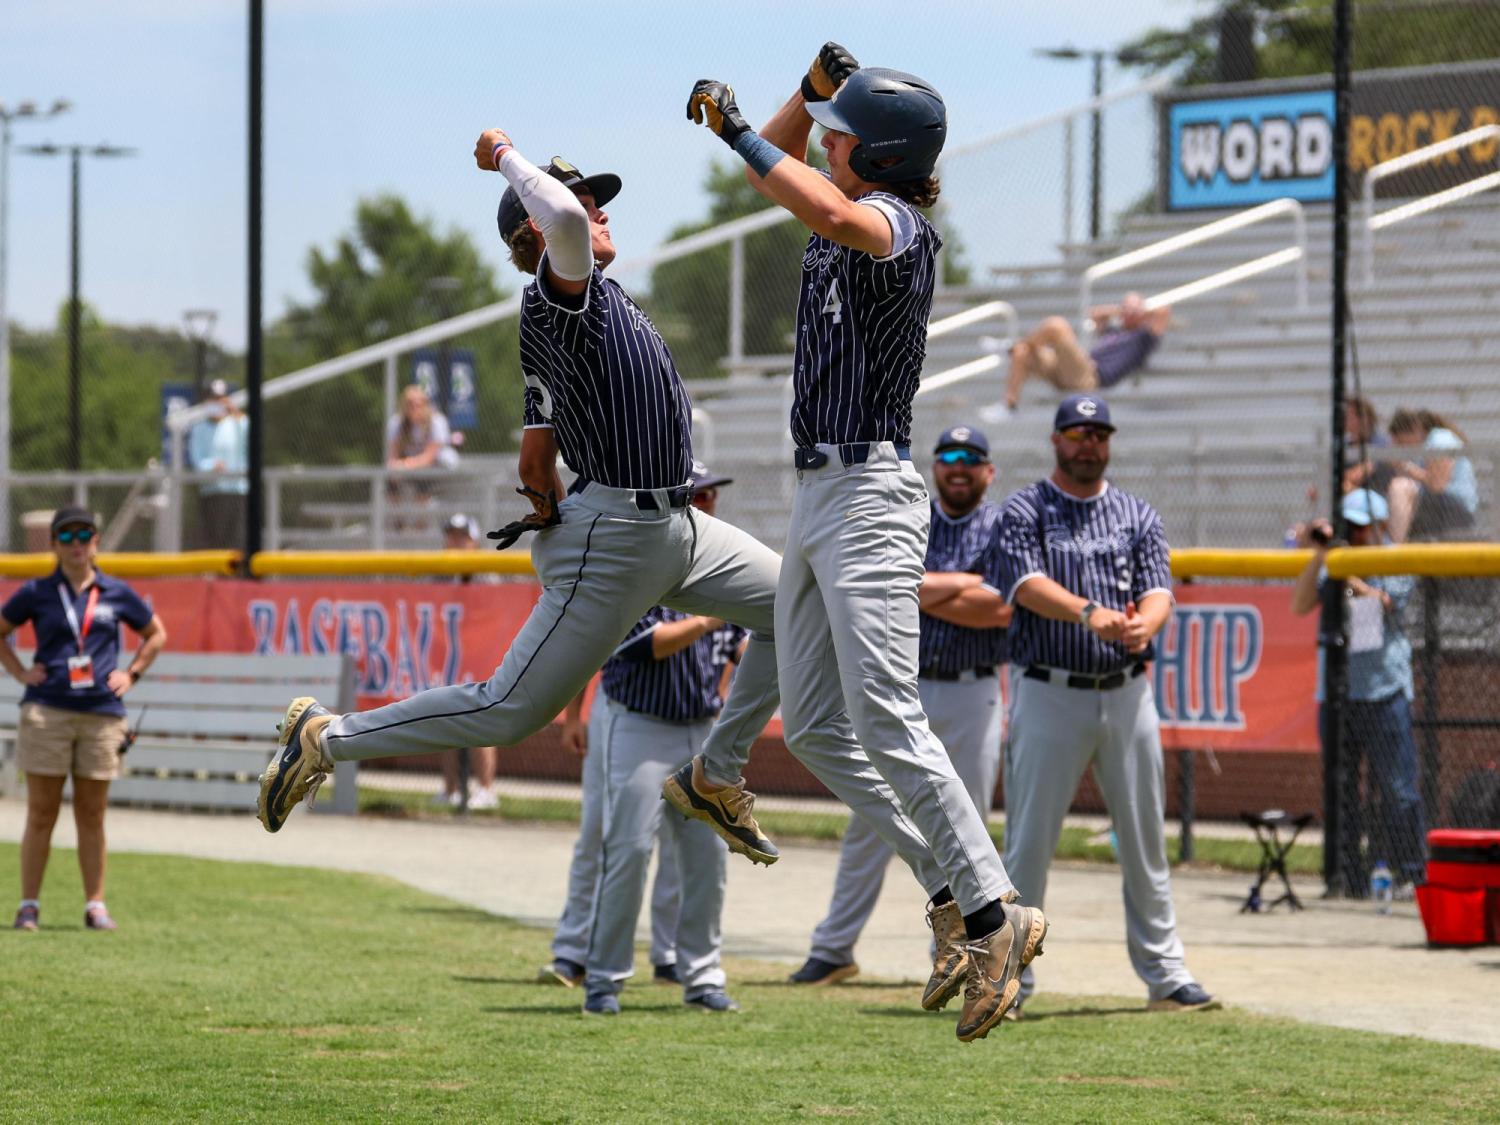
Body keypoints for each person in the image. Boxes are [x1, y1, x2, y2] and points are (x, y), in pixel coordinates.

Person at [260, 131, 978, 1028]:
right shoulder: (560, 286)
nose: (597, 209)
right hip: (618, 534)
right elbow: (558, 215)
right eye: (581, 202)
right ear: (536, 228)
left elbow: (533, 448)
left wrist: (541, 489)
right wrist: (511, 159)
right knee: (504, 708)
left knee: (797, 606)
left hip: (675, 525)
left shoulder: (578, 301)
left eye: (598, 198)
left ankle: (716, 775)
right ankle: (327, 738)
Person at [675, 43, 1045, 1042]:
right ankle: (946, 891)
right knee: (824, 727)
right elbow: (795, 175)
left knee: (887, 717)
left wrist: (742, 128)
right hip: (818, 494)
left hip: (871, 491)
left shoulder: (894, 222)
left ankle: (995, 913)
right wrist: (797, 98)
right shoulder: (843, 198)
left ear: (876, 156)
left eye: (840, 138)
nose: (823, 148)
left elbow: (828, 202)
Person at [996, 394, 1217, 1017]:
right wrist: (1089, 612)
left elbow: (1158, 590)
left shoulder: (1136, 513)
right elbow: (1024, 586)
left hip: (1126, 693)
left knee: (1145, 840)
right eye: (1076, 431)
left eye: (1098, 432)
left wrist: (1144, 625)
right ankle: (1010, 979)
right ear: (1056, 439)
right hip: (1049, 690)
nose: (1087, 442)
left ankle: (1166, 975)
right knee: (1028, 845)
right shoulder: (1025, 508)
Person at [790, 425, 1012, 986]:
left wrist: (910, 587)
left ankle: (960, 953)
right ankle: (833, 946)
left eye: (971, 457)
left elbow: (999, 606)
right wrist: (954, 585)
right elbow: (883, 588)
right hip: (904, 688)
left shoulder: (1001, 525)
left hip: (972, 692)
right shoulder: (906, 506)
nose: (958, 465)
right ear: (935, 466)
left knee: (963, 824)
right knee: (872, 822)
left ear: (988, 470)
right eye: (949, 455)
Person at [551, 464, 748, 1015]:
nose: (709, 503)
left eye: (713, 494)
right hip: (639, 725)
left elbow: (739, 650)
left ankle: (703, 976)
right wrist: (713, 617)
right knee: (629, 850)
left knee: (709, 856)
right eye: (700, 494)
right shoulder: (634, 560)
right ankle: (605, 978)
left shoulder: (724, 565)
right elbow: (648, 645)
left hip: (702, 728)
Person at [3, 508, 167, 931]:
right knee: (42, 812)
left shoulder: (115, 591)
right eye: (67, 535)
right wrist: (20, 672)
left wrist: (131, 674)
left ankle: (95, 905)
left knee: (92, 815)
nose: (77, 543)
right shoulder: (38, 591)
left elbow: (156, 634)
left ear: (96, 541)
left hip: (101, 714)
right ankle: (28, 905)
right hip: (47, 710)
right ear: (55, 544)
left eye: (85, 534)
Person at [1291, 489, 1427, 893]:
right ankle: (1347, 876)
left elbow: (1379, 604)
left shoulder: (1395, 560)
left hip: (1383, 691)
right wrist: (1320, 556)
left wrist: (1341, 570)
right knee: (1341, 788)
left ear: (1380, 526)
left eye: (1362, 526)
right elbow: (1299, 605)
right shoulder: (1333, 561)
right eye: (1349, 527)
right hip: (1337, 695)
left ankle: (1411, 873)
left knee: (1398, 789)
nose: (1355, 533)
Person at [989, 294, 1171, 416]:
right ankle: (1009, 405)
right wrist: (1121, 309)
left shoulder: (1143, 338)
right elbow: (1095, 314)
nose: (1127, 312)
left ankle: (1010, 348)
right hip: (1070, 373)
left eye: (1132, 309)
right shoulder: (1113, 331)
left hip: (1090, 378)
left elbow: (1164, 311)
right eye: (1126, 308)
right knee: (1024, 353)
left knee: (1056, 326)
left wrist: (1138, 310)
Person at [434, 513, 499, 811]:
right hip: (447, 657)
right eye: (452, 535)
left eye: (462, 536)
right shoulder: (437, 574)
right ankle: (451, 789)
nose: (456, 542)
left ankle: (486, 789)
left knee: (480, 722)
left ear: (474, 541)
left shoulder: (487, 573)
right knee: (443, 720)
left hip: (479, 656)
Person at [1386, 408, 1479, 542]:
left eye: (1401, 442)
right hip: (1433, 508)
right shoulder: (1421, 450)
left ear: (1414, 429)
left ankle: (1396, 549)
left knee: (1400, 487)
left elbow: (1437, 485)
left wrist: (1404, 466)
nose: (1402, 447)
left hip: (1453, 508)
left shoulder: (1440, 439)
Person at [190, 379, 250, 549]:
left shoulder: (238, 424)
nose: (217, 403)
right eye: (213, 399)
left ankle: (238, 575)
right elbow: (197, 460)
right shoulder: (199, 428)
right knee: (214, 541)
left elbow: (252, 438)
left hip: (238, 491)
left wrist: (236, 413)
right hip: (212, 492)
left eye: (220, 399)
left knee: (238, 541)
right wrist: (212, 466)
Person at [385, 385, 459, 507]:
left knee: (423, 479)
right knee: (391, 480)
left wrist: (404, 465)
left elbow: (429, 457)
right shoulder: (397, 423)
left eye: (418, 404)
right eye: (409, 404)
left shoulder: (436, 422)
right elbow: (393, 455)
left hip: (437, 467)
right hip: (410, 466)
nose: (414, 408)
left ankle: (421, 524)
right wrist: (395, 468)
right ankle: (398, 523)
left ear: (426, 404)